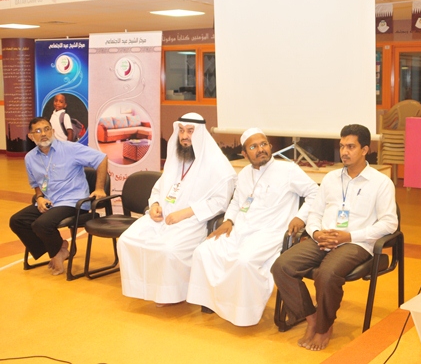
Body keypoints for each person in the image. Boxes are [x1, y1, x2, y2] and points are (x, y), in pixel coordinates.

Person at [271, 124, 398, 351]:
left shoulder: (381, 183)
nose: (344, 152)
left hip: (356, 243)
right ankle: (311, 318)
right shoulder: (330, 178)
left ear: (365, 149)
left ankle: (323, 328)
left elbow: (390, 223)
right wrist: (316, 232)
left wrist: (349, 236)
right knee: (281, 266)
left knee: (327, 274)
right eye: (342, 146)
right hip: (322, 238)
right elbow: (315, 213)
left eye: (351, 147)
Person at [187, 128, 318, 326]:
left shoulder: (288, 170)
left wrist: (301, 216)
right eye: (253, 147)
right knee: (204, 251)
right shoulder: (244, 174)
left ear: (270, 147)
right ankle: (214, 302)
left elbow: (315, 192)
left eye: (264, 144)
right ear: (244, 153)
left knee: (243, 261)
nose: (260, 149)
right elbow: (236, 202)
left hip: (271, 232)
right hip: (241, 229)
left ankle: (243, 313)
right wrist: (229, 220)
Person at [117, 113, 237, 307]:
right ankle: (146, 288)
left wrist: (185, 213)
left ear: (200, 133)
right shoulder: (176, 158)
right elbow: (158, 188)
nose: (184, 136)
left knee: (168, 250)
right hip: (162, 218)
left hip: (193, 221)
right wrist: (155, 205)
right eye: (181, 131)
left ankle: (170, 293)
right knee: (127, 240)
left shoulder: (218, 165)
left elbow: (220, 202)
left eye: (190, 131)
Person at [9, 117, 108, 276]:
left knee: (41, 224)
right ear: (31, 136)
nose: (43, 134)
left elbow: (101, 158)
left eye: (47, 129)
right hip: (51, 202)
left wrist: (99, 188)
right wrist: (39, 197)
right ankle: (58, 248)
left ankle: (56, 253)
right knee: (17, 221)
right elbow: (36, 183)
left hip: (74, 202)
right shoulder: (30, 158)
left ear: (53, 131)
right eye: (38, 131)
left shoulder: (70, 149)